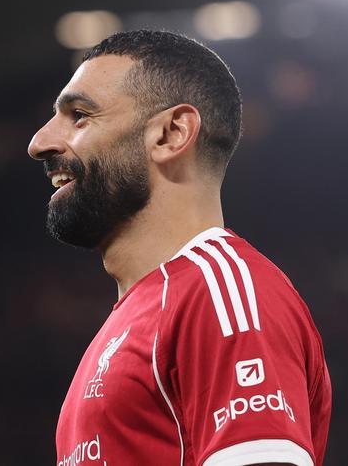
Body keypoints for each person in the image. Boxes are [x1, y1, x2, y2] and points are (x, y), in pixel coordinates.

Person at [28, 29, 332, 466]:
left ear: (171, 134)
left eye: (79, 115)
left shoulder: (220, 293)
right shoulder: (132, 319)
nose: (39, 143)